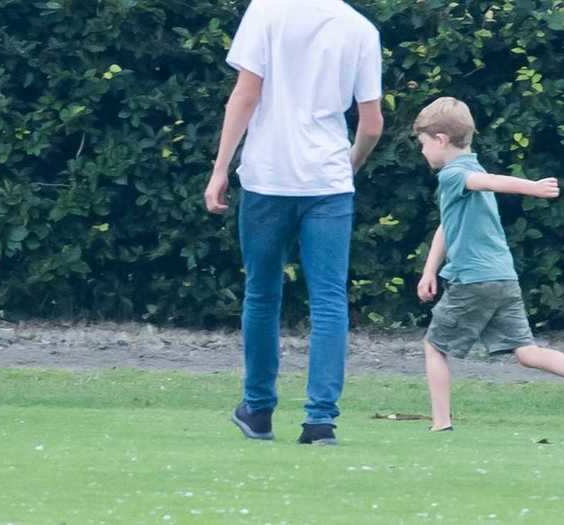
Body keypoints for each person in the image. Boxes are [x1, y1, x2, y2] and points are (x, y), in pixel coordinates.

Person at [204, 0, 384, 444]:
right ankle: (320, 420)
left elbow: (246, 94)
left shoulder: (266, 11)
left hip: (268, 177)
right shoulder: (359, 28)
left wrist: (220, 168)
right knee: (328, 301)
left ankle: (258, 410)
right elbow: (372, 123)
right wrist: (350, 164)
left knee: (262, 295)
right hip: (328, 180)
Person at [414, 97, 562, 432]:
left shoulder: (455, 173)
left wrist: (533, 188)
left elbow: (490, 182)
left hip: (474, 280)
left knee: (434, 346)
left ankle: (440, 423)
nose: (422, 152)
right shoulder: (471, 168)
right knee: (527, 353)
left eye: (423, 144)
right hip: (502, 277)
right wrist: (429, 270)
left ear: (440, 139)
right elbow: (447, 224)